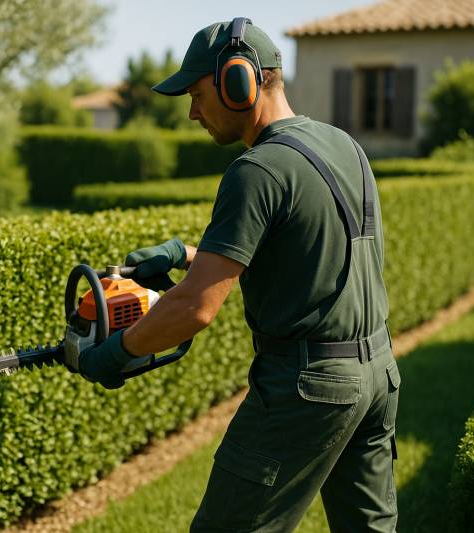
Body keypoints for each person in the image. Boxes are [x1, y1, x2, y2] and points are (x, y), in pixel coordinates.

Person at [78, 17, 400, 532]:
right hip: (377, 372)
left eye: (197, 95)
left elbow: (195, 308)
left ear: (238, 80)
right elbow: (303, 246)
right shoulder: (344, 145)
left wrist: (115, 353)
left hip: (306, 388)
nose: (192, 113)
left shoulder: (257, 170)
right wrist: (187, 254)